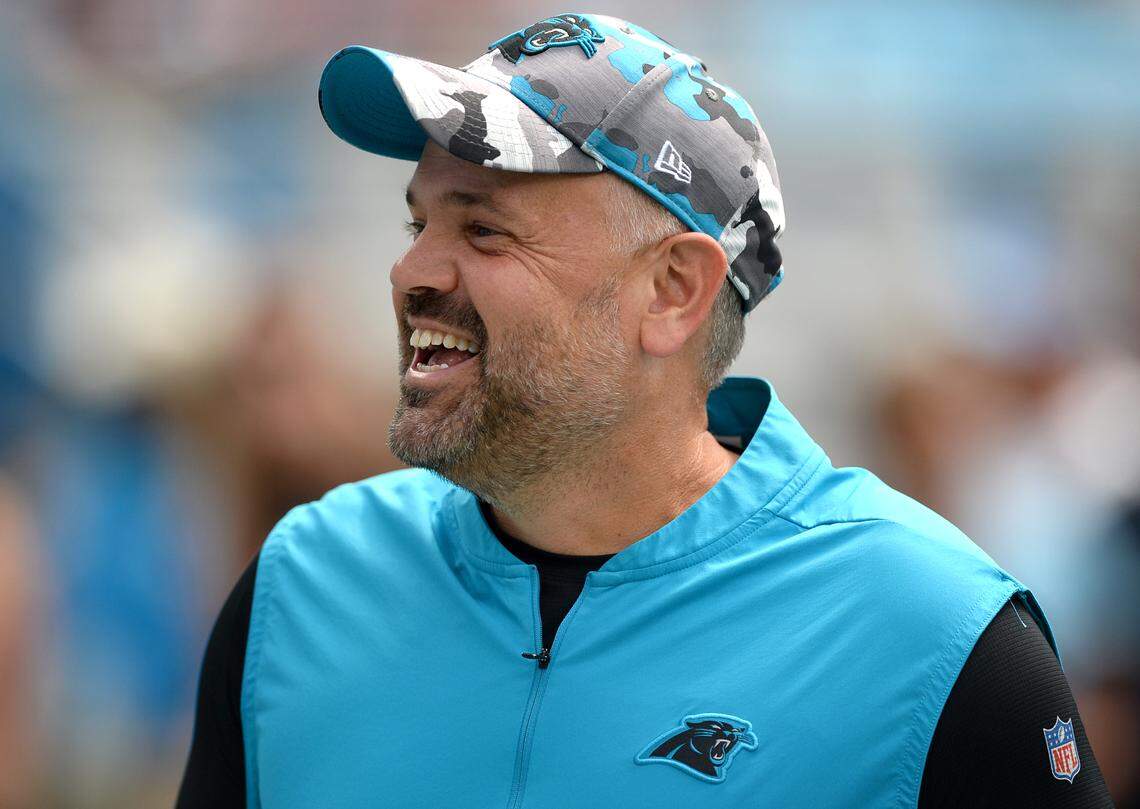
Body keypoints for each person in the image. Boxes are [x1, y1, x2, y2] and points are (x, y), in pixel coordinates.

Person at [177, 13, 1114, 807]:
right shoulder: (299, 588)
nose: (412, 270)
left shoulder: (935, 632)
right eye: (418, 223)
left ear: (673, 290)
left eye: (485, 229)